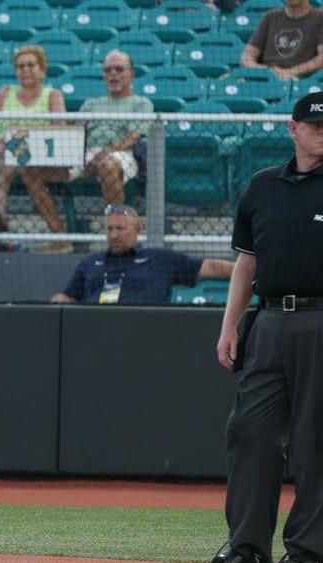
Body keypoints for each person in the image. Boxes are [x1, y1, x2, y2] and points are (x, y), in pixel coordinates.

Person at [212, 92, 323, 563]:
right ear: (292, 128)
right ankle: (246, 547)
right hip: (270, 320)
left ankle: (309, 550)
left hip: (321, 321)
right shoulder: (262, 186)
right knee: (250, 433)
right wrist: (229, 326)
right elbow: (245, 264)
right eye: (315, 125)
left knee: (314, 441)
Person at [0, 45, 70, 240]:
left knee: (3, 141)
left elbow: (60, 128)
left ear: (42, 69)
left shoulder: (52, 95)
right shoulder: (5, 92)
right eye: (20, 66)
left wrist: (19, 135)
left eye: (30, 65)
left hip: (38, 153)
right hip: (4, 157)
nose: (25, 70)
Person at [50, 204, 233, 304]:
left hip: (144, 329)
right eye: (109, 229)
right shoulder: (90, 263)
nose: (113, 235)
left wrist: (247, 270)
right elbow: (68, 297)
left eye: (120, 229)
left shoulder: (160, 259)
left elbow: (208, 267)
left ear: (138, 229)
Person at [71, 50, 153, 206]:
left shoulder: (141, 103)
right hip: (86, 153)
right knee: (36, 171)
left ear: (132, 74)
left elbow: (133, 137)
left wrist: (105, 153)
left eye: (119, 69)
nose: (113, 74)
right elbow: (75, 135)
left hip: (123, 154)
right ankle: (59, 228)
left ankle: (115, 223)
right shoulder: (90, 104)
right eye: (108, 70)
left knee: (107, 165)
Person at [239, 0, 323, 80]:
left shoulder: (320, 17)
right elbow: (246, 57)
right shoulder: (270, 17)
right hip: (265, 78)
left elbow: (321, 59)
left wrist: (291, 72)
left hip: (301, 81)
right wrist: (264, 70)